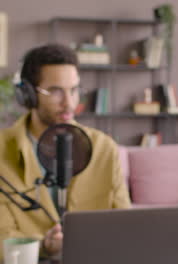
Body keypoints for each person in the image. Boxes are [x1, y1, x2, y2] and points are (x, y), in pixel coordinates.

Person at [0, 44, 131, 261]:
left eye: (74, 90)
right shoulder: (2, 151)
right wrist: (44, 246)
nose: (69, 103)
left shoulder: (103, 148)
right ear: (28, 95)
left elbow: (127, 224)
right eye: (55, 91)